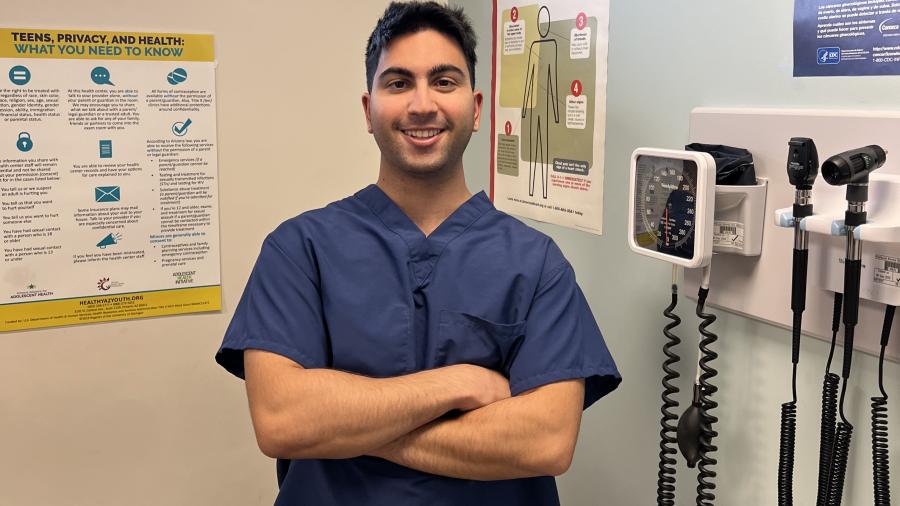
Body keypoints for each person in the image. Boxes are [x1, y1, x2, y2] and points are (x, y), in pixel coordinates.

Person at [215, 2, 620, 504]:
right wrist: (459, 383)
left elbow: (547, 442)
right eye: (399, 82)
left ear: (475, 108)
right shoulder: (300, 249)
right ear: (369, 110)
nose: (422, 104)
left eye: (444, 81)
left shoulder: (536, 264)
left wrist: (351, 430)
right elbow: (282, 420)